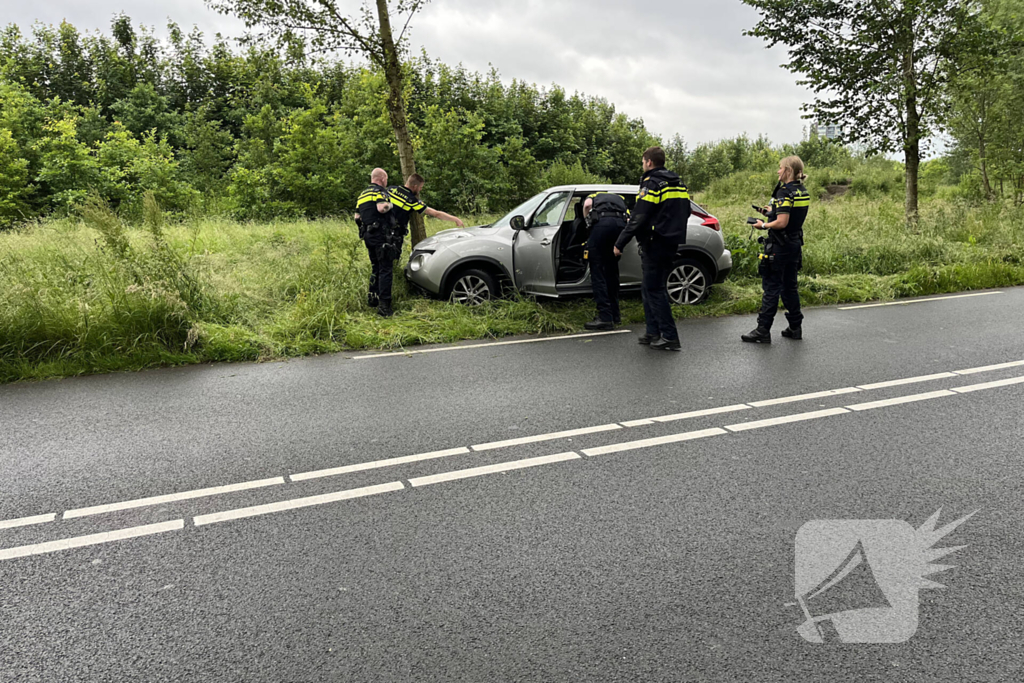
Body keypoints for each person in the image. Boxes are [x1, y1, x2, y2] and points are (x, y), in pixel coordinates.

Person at [614, 146, 691, 351]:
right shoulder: (677, 183)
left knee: (655, 289)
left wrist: (619, 243)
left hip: (655, 242)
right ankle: (652, 332)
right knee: (649, 287)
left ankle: (670, 336)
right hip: (670, 241)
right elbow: (687, 210)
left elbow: (640, 216)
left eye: (643, 162)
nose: (643, 165)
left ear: (649, 162)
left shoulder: (652, 183)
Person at [741, 156, 810, 343]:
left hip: (779, 246)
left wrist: (763, 225)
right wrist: (769, 213)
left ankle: (762, 330)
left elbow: (782, 222)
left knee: (771, 287)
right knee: (789, 287)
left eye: (780, 168)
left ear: (788, 170)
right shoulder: (802, 191)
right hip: (794, 244)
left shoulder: (784, 193)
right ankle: (795, 327)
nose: (778, 172)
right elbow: (790, 215)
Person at [581, 192, 629, 330]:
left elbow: (587, 205)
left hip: (602, 226)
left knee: (598, 272)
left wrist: (587, 223)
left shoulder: (593, 195)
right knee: (611, 271)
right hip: (620, 228)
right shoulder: (619, 198)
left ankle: (605, 318)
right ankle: (615, 315)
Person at [356, 168, 398, 317]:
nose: (386, 183)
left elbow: (357, 217)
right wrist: (392, 205)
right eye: (386, 180)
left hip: (368, 235)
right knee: (385, 269)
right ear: (382, 179)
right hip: (381, 235)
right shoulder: (380, 192)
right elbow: (382, 208)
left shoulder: (362, 195)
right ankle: (384, 306)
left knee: (376, 267)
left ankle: (372, 299)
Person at [387, 174, 465, 240]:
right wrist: (455, 219)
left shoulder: (391, 189)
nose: (420, 190)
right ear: (415, 186)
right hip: (394, 235)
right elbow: (436, 213)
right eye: (420, 187)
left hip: (381, 230)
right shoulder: (412, 200)